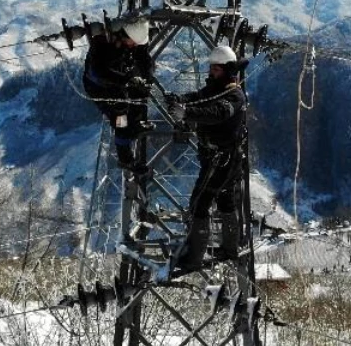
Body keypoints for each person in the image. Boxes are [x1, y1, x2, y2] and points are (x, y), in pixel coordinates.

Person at [168, 44, 248, 272]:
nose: (211, 72)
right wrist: (181, 99)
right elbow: (199, 97)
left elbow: (217, 113)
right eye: (211, 67)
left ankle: (193, 258)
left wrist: (187, 113)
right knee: (225, 199)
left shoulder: (234, 96)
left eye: (216, 68)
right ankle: (229, 249)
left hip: (222, 159)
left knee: (200, 203)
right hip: (223, 157)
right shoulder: (218, 89)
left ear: (227, 70)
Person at [82, 16, 153, 173]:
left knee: (139, 96)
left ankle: (136, 123)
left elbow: (144, 59)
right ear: (122, 35)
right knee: (120, 115)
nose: (134, 46)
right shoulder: (102, 44)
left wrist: (146, 79)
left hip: (120, 75)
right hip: (99, 86)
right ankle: (125, 158)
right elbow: (98, 72)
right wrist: (126, 80)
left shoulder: (135, 37)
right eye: (132, 43)